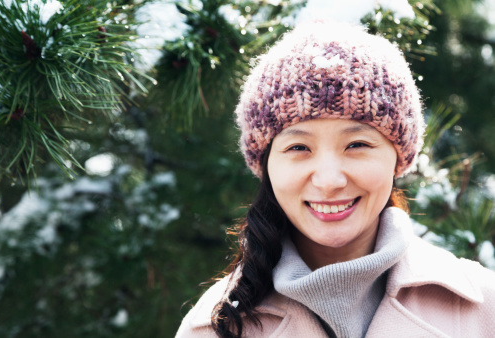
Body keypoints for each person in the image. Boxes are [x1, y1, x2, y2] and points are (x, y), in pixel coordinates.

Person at [176, 21, 495, 338]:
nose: (329, 181)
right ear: (267, 164)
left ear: (398, 157)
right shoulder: (213, 328)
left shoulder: (483, 307)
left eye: (357, 144)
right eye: (299, 147)